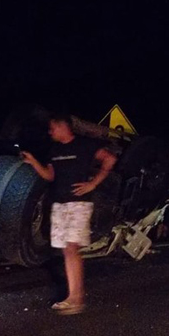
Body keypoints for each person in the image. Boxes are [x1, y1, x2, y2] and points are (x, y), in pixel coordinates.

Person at [21, 113, 117, 315]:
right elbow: (50, 175)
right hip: (59, 204)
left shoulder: (84, 145)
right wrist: (33, 162)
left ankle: (76, 298)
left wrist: (93, 183)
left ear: (63, 127)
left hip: (78, 204)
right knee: (66, 250)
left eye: (52, 128)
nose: (50, 132)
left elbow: (109, 159)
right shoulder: (54, 149)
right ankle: (73, 296)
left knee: (72, 249)